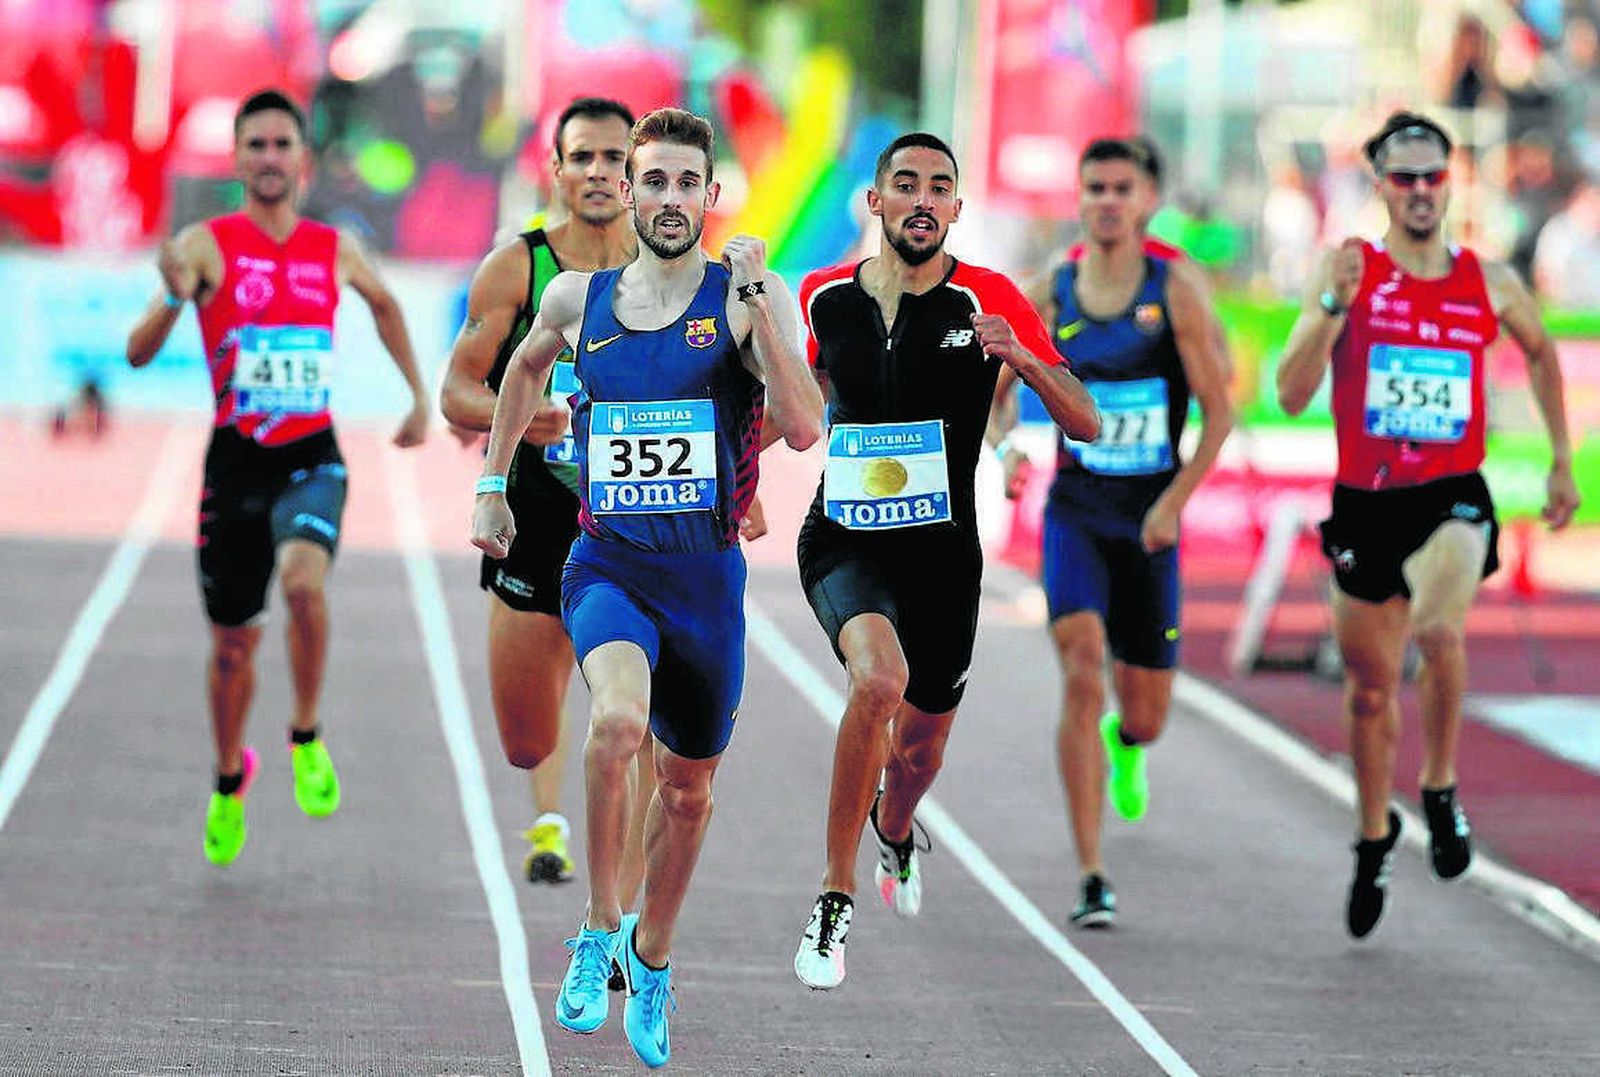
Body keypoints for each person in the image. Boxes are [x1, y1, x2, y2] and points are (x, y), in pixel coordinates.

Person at [471, 107, 821, 1067]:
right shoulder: (578, 300)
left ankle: (652, 955)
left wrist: (760, 292)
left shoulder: (745, 297)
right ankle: (596, 925)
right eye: (652, 181)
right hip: (608, 565)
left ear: (713, 198)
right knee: (616, 724)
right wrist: (494, 486)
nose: (669, 199)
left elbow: (801, 425)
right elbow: (520, 374)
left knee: (691, 792)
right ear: (628, 191)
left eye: (686, 184)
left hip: (705, 582)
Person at [791, 132, 1099, 990]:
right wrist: (744, 482)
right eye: (906, 184)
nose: (923, 199)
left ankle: (895, 827)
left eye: (940, 187)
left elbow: (1087, 421)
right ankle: (833, 896)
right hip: (844, 538)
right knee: (876, 682)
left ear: (957, 210)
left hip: (944, 561)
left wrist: (1025, 359)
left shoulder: (990, 297)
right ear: (876, 203)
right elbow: (788, 400)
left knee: (920, 752)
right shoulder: (822, 300)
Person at [1277, 112, 1580, 939]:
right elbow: (1293, 391)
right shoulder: (1349, 268)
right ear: (1379, 184)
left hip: (1451, 492)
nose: (1419, 190)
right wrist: (1334, 302)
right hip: (1366, 501)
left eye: (1433, 175)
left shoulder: (1490, 280)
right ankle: (1377, 832)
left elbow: (1544, 353)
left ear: (1452, 181)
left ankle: (1441, 788)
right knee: (1371, 691)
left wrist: (1561, 458)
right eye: (1403, 176)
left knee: (1441, 628)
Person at [124, 89, 430, 866]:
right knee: (232, 647)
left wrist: (418, 398)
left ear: (303, 159)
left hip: (310, 455)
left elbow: (389, 306)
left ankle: (304, 733)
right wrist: (171, 293)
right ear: (237, 159)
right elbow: (138, 350)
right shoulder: (204, 243)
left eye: (280, 144)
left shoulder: (335, 247)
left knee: (303, 583)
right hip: (235, 465)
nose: (267, 157)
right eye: (253, 145)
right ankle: (230, 776)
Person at [441, 96, 655, 894]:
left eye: (613, 159)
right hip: (538, 521)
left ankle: (625, 921)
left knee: (638, 726)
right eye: (583, 158)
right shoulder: (518, 268)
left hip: (643, 529)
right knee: (529, 739)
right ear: (555, 169)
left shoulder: (672, 268)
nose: (598, 173)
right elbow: (457, 392)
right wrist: (521, 421)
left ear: (636, 174)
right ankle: (546, 801)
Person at [1018, 138, 1233, 928]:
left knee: (1144, 713)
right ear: (1079, 198)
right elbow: (1002, 387)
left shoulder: (1173, 289)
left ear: (1147, 200)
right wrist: (1006, 446)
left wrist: (1174, 501)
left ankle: (1127, 739)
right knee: (1080, 667)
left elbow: (1221, 412)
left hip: (1147, 524)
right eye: (1094, 187)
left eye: (1122, 188)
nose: (1107, 200)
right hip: (1075, 513)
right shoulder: (1051, 289)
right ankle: (1091, 873)